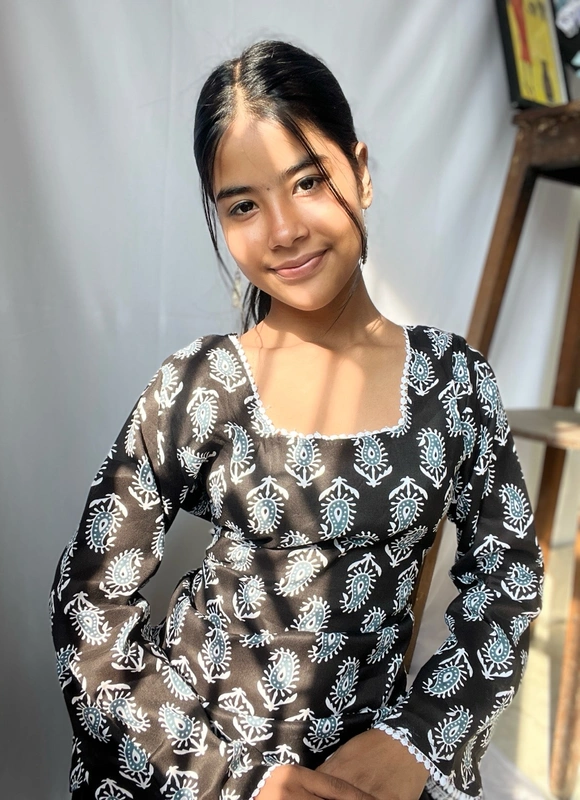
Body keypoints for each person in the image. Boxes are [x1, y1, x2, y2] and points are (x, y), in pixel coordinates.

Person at [50, 39, 543, 800]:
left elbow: (508, 582)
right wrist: (231, 782)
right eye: (243, 205)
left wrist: (416, 741)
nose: (282, 230)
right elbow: (90, 603)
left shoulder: (453, 382)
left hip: (366, 776)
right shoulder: (200, 386)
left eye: (308, 182)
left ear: (362, 172)